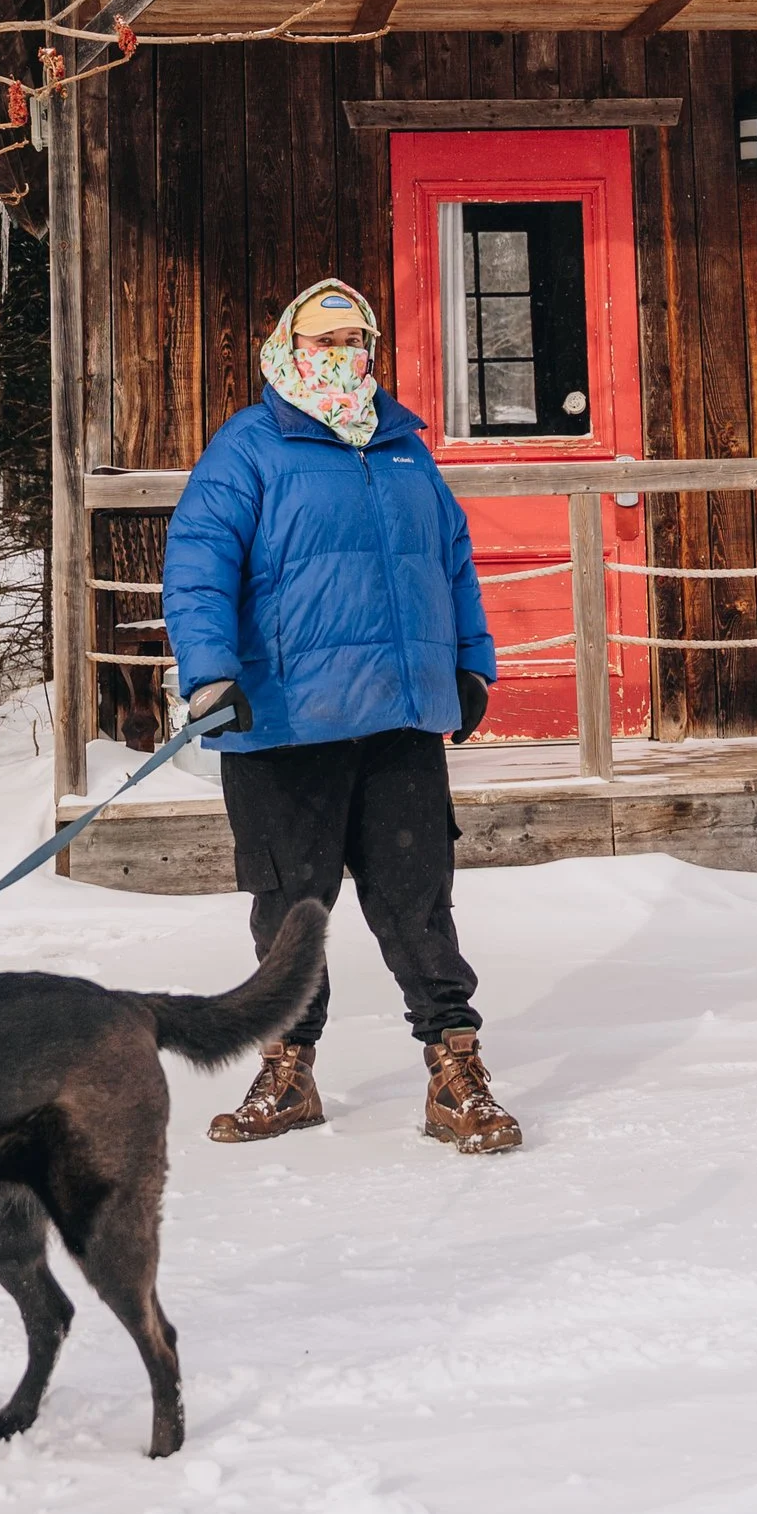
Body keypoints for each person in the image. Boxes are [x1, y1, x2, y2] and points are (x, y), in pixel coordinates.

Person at [161, 277, 520, 1155]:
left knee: (418, 902)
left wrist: (472, 663)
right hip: (285, 721)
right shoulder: (250, 446)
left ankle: (455, 1067)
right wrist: (210, 677)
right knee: (292, 910)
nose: (343, 355)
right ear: (288, 346)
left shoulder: (400, 447)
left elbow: (453, 561)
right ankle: (287, 1070)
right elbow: (198, 562)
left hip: (397, 720)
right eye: (325, 340)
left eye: (356, 339)